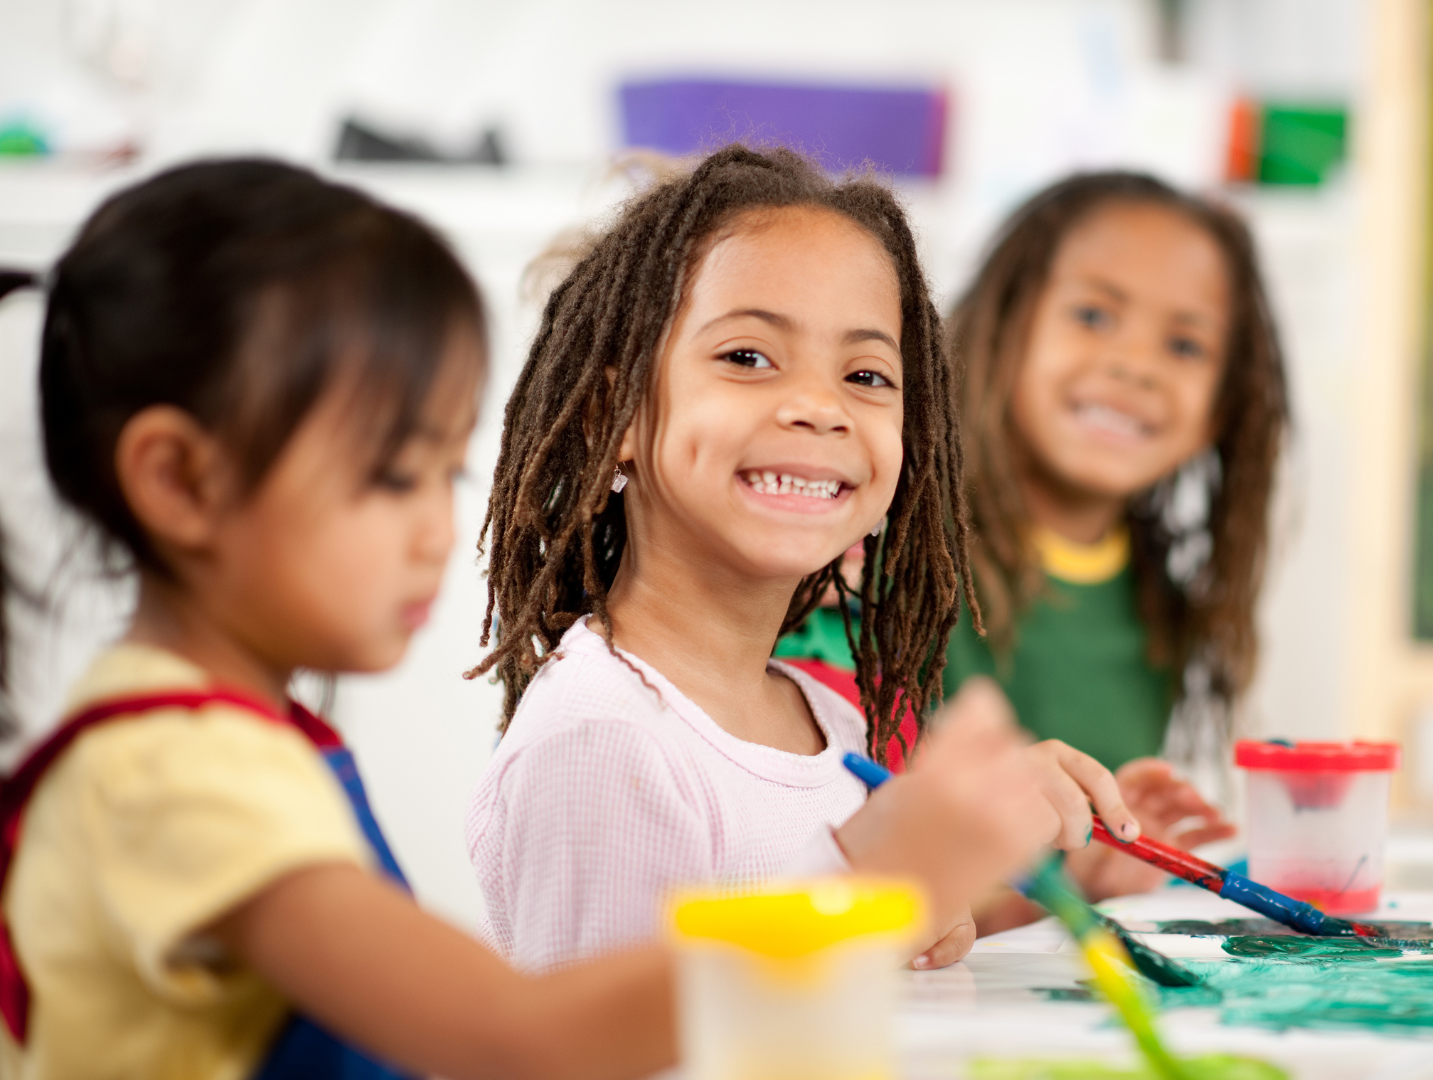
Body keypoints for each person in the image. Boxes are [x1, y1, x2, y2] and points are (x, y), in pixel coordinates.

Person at [0, 158, 1057, 1079]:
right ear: (181, 483)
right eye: (387, 474)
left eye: (442, 469)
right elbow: (523, 1039)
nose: (432, 526)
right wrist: (881, 883)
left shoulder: (231, 748)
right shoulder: (175, 777)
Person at [464, 145, 1140, 977]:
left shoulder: (828, 720)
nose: (820, 407)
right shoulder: (604, 740)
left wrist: (952, 882)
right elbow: (609, 1052)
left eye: (865, 373)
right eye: (747, 357)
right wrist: (876, 880)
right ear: (618, 415)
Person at [946, 172, 1291, 912]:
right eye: (1095, 315)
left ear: (1223, 408)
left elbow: (1038, 891)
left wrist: (1092, 874)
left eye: (1184, 344)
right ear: (1005, 324)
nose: (1135, 365)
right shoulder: (889, 565)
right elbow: (868, 882)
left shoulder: (1160, 605)